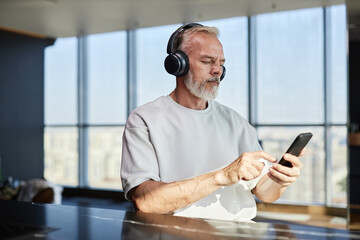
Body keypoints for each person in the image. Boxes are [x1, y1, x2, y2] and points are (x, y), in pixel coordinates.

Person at [120, 23, 303, 222]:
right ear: (178, 64)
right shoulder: (145, 119)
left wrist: (279, 181)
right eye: (207, 61)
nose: (218, 71)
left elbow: (265, 192)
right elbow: (145, 202)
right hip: (177, 232)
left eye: (221, 63)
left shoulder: (235, 121)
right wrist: (221, 177)